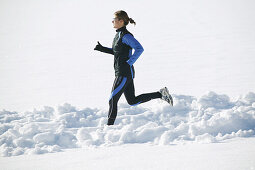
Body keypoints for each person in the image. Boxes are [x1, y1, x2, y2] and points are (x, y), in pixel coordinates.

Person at [94, 10, 173, 125]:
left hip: (124, 73)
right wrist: (103, 49)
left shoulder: (126, 36)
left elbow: (139, 48)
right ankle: (161, 94)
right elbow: (118, 53)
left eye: (114, 20)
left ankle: (109, 128)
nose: (112, 21)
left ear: (121, 21)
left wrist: (129, 62)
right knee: (132, 101)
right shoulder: (118, 35)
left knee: (112, 100)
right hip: (123, 72)